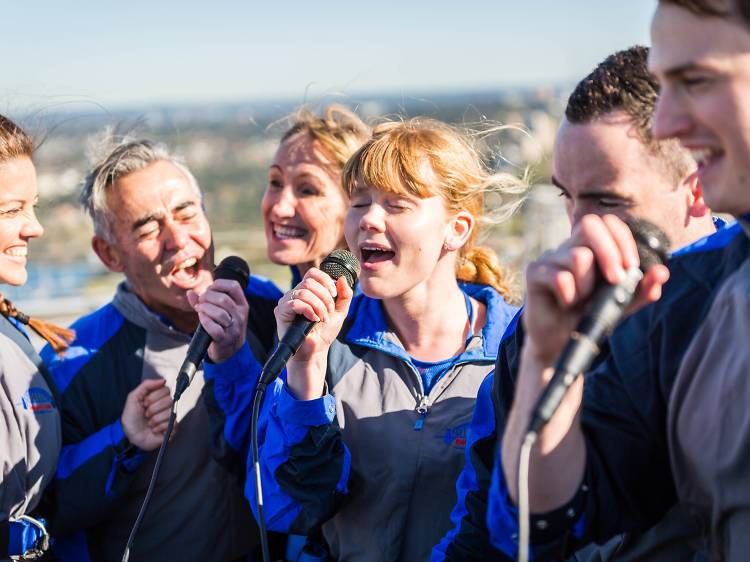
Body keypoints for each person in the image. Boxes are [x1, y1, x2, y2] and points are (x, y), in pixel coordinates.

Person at [432, 45, 720, 561]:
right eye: (568, 196)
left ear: (694, 190)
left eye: (608, 201)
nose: (580, 228)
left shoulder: (727, 309)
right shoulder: (536, 329)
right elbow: (489, 510)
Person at [197, 117, 524, 561]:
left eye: (397, 204)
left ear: (457, 228)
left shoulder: (514, 348)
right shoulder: (328, 337)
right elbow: (283, 509)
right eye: (359, 201)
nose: (369, 218)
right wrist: (306, 371)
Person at [493, 2, 750, 560]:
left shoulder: (703, 296)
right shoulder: (696, 302)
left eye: (698, 81)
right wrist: (546, 360)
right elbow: (539, 520)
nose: (671, 124)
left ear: (694, 191)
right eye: (568, 197)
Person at [40, 138, 258, 561]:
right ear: (108, 254)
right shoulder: (73, 360)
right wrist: (121, 441)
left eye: (187, 212)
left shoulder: (264, 308)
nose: (177, 238)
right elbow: (42, 508)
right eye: (147, 227)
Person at [0, 114, 76, 560]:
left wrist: (124, 439)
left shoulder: (14, 333)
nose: (35, 227)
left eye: (34, 207)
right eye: (11, 210)